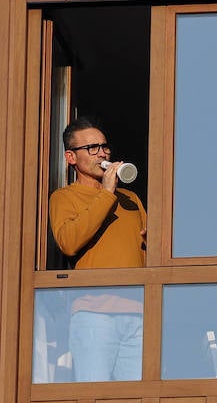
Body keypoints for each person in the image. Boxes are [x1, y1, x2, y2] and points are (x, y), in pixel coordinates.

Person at [48, 118, 147, 381]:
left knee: (137, 402)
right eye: (92, 148)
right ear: (71, 157)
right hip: (94, 314)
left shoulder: (131, 199)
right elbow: (69, 242)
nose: (102, 153)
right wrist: (106, 193)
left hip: (138, 314)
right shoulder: (64, 197)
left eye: (104, 147)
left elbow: (149, 251)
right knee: (94, 396)